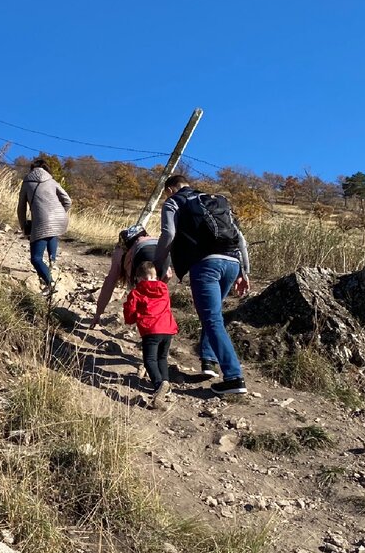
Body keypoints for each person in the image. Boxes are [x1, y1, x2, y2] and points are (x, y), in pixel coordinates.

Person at [154, 174, 251, 396]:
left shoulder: (174, 201)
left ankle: (234, 376)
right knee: (213, 315)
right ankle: (209, 361)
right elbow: (240, 238)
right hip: (232, 263)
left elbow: (169, 233)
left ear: (170, 189)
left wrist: (158, 264)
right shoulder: (214, 200)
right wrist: (244, 271)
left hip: (206, 265)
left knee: (212, 318)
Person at [122, 260, 178, 407]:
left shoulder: (136, 292)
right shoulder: (164, 289)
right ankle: (166, 386)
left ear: (139, 278)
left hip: (151, 330)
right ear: (155, 276)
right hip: (167, 329)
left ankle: (159, 385)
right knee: (162, 358)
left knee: (149, 360)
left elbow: (130, 314)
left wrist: (131, 318)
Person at [17, 158, 72, 294]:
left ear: (32, 168)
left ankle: (50, 283)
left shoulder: (26, 182)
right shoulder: (52, 181)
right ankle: (52, 262)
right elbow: (68, 201)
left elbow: (21, 208)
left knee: (35, 258)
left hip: (42, 221)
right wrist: (58, 213)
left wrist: (24, 226)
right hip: (60, 218)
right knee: (52, 232)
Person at [89, 223, 158, 328]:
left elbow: (110, 283)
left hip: (140, 255)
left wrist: (98, 313)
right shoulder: (152, 240)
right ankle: (160, 330)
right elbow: (168, 274)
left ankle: (148, 332)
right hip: (162, 251)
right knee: (156, 298)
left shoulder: (120, 250)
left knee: (142, 298)